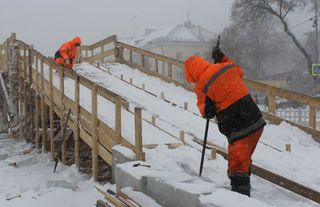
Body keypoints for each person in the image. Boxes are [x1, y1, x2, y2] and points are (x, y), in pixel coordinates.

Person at [184, 45, 266, 197]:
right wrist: (221, 58)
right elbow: (240, 71)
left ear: (192, 75)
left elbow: (206, 113)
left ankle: (240, 200)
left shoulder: (202, 86)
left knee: (237, 169)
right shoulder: (225, 67)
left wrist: (210, 99)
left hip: (239, 130)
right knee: (244, 162)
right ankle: (242, 194)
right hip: (256, 122)